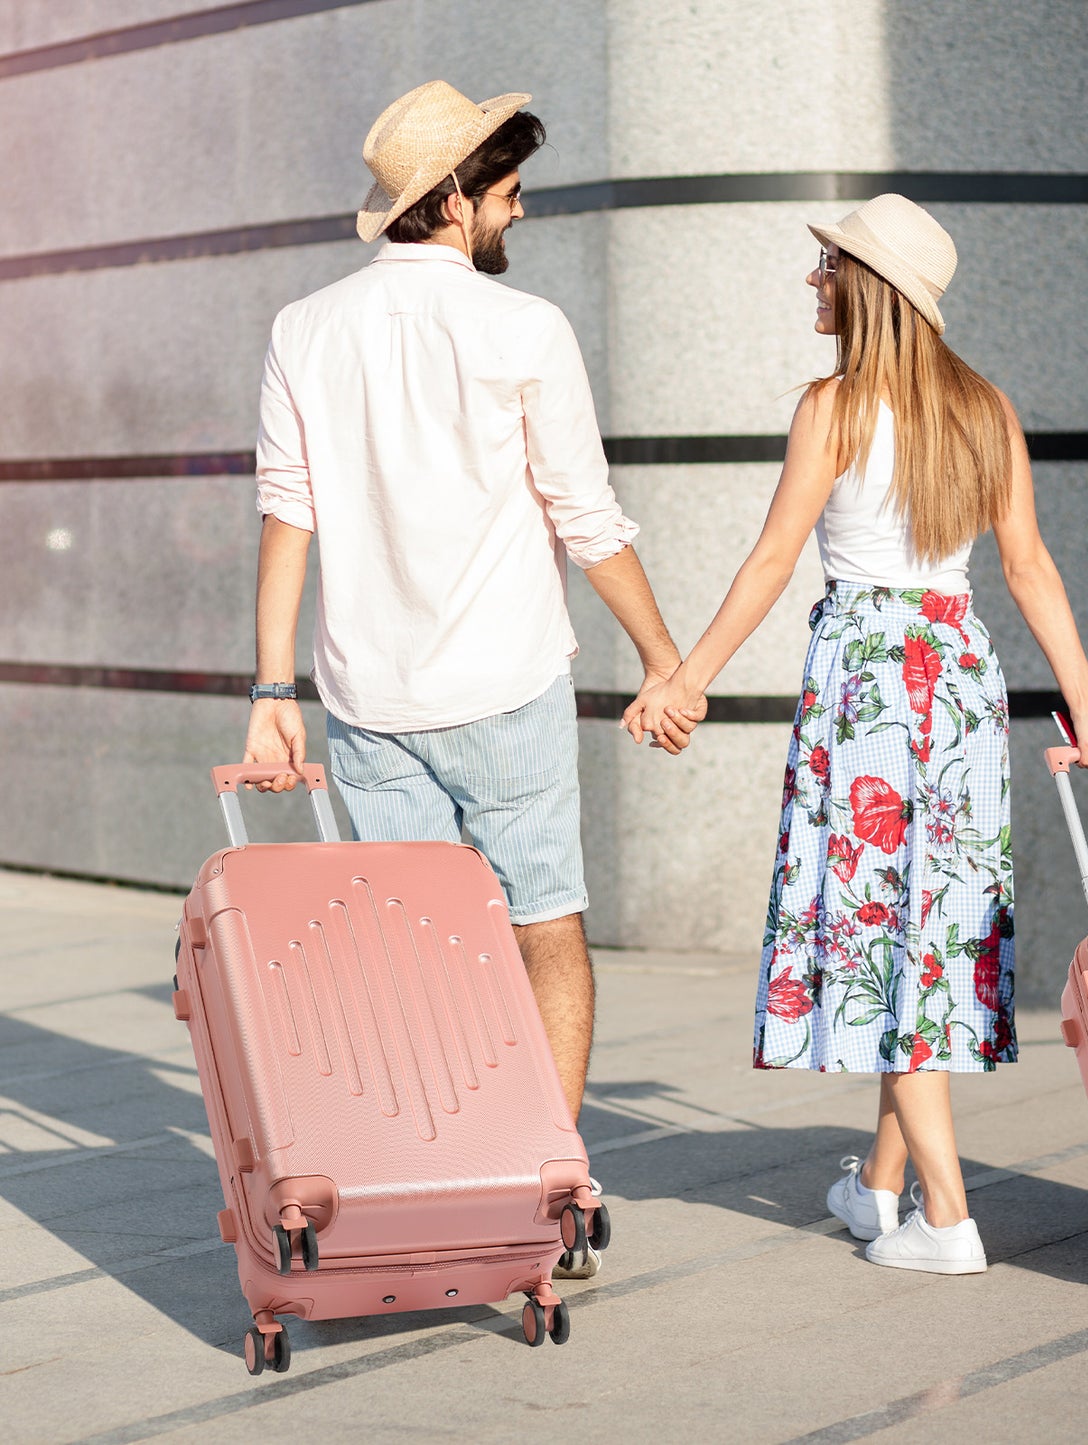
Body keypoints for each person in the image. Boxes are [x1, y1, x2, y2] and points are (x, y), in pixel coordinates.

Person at [624, 194, 1088, 1275]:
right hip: (955, 671)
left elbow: (771, 561)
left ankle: (947, 1218)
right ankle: (876, 1186)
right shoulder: (984, 408)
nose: (812, 279)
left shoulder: (834, 407)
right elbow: (1029, 568)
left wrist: (684, 680)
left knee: (882, 929)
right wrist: (1086, 703)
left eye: (826, 265)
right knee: (922, 924)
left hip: (865, 679)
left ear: (870, 288)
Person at [244, 82, 689, 1274]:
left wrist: (271, 693)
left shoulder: (305, 327)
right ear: (448, 201)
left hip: (366, 702)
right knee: (545, 928)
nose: (518, 208)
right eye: (503, 191)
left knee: (425, 950)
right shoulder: (523, 328)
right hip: (504, 688)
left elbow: (288, 518)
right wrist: (663, 657)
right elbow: (585, 518)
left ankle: (447, 1169)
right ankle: (549, 1182)